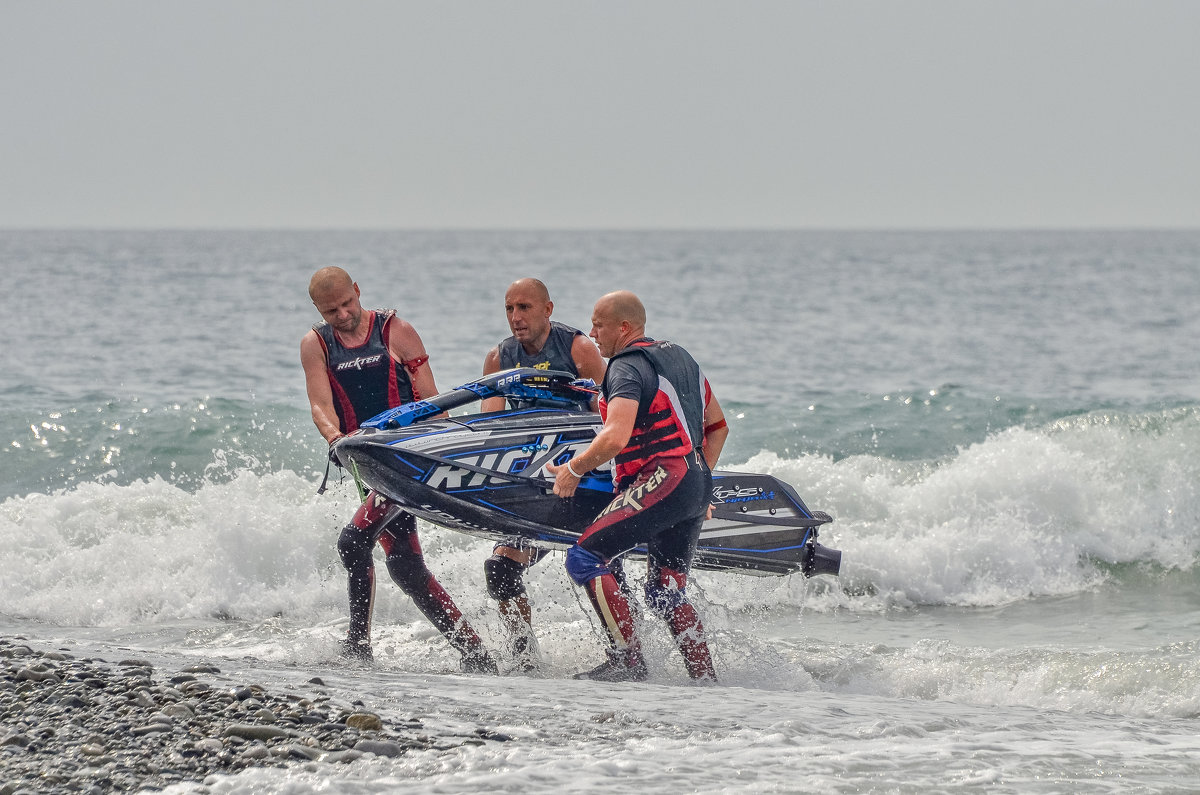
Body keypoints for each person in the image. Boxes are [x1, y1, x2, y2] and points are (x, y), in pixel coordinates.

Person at [301, 266, 496, 673]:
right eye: (330, 310)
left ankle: (358, 648)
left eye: (346, 304)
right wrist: (335, 439)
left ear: (358, 291)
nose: (342, 316)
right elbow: (320, 405)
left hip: (408, 461)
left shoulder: (396, 331)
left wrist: (444, 456)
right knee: (406, 566)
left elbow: (430, 399)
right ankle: (476, 655)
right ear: (317, 309)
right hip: (369, 464)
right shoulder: (316, 344)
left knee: (353, 543)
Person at [546, 290, 729, 683]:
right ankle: (706, 682)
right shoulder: (683, 358)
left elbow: (615, 437)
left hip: (665, 478)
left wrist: (573, 470)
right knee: (665, 593)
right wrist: (699, 482)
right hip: (695, 483)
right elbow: (717, 427)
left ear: (624, 327)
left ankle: (627, 662)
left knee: (584, 558)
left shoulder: (625, 367)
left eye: (599, 323)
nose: (592, 332)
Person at [479, 278, 607, 669]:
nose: (515, 317)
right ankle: (525, 660)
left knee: (600, 565)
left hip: (584, 479)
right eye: (509, 309)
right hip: (534, 485)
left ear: (547, 309)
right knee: (500, 569)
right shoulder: (499, 358)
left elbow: (613, 413)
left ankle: (626, 655)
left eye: (524, 308)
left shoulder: (578, 348)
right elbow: (489, 430)